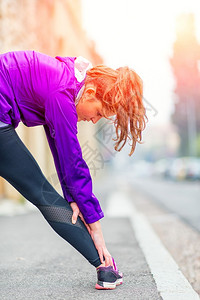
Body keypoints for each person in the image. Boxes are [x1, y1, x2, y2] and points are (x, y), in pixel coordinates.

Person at [0, 50, 147, 290]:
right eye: (99, 112)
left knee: (46, 193)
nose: (95, 120)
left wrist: (73, 197)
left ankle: (103, 265)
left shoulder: (68, 80)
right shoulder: (62, 94)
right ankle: (104, 266)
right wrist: (95, 227)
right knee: (43, 193)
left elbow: (61, 152)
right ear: (90, 93)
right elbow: (73, 160)